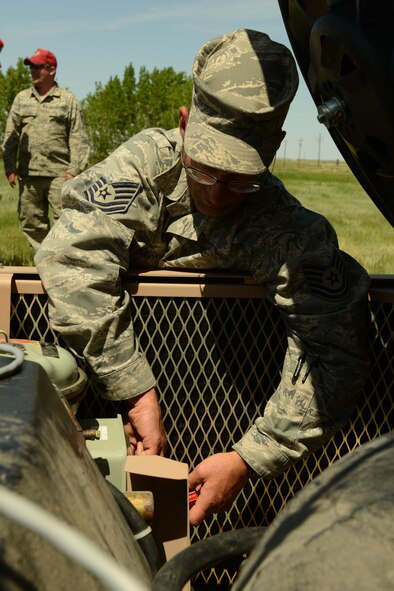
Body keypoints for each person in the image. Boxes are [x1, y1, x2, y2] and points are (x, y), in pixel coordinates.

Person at [35, 29, 370, 526]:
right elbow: (71, 259)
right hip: (123, 411)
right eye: (206, 169)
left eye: (241, 179)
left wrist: (250, 457)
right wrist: (133, 390)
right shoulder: (146, 166)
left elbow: (335, 354)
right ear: (184, 124)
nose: (217, 194)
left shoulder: (290, 232)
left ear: (275, 149)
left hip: (238, 441)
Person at [2, 48, 90, 252]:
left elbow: (78, 137)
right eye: (30, 66)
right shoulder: (21, 99)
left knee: (65, 222)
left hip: (60, 175)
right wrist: (9, 167)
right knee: (32, 223)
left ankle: (63, 263)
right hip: (28, 174)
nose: (32, 71)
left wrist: (73, 171)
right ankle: (40, 265)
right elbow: (11, 136)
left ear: (51, 70)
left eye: (37, 66)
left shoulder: (67, 100)